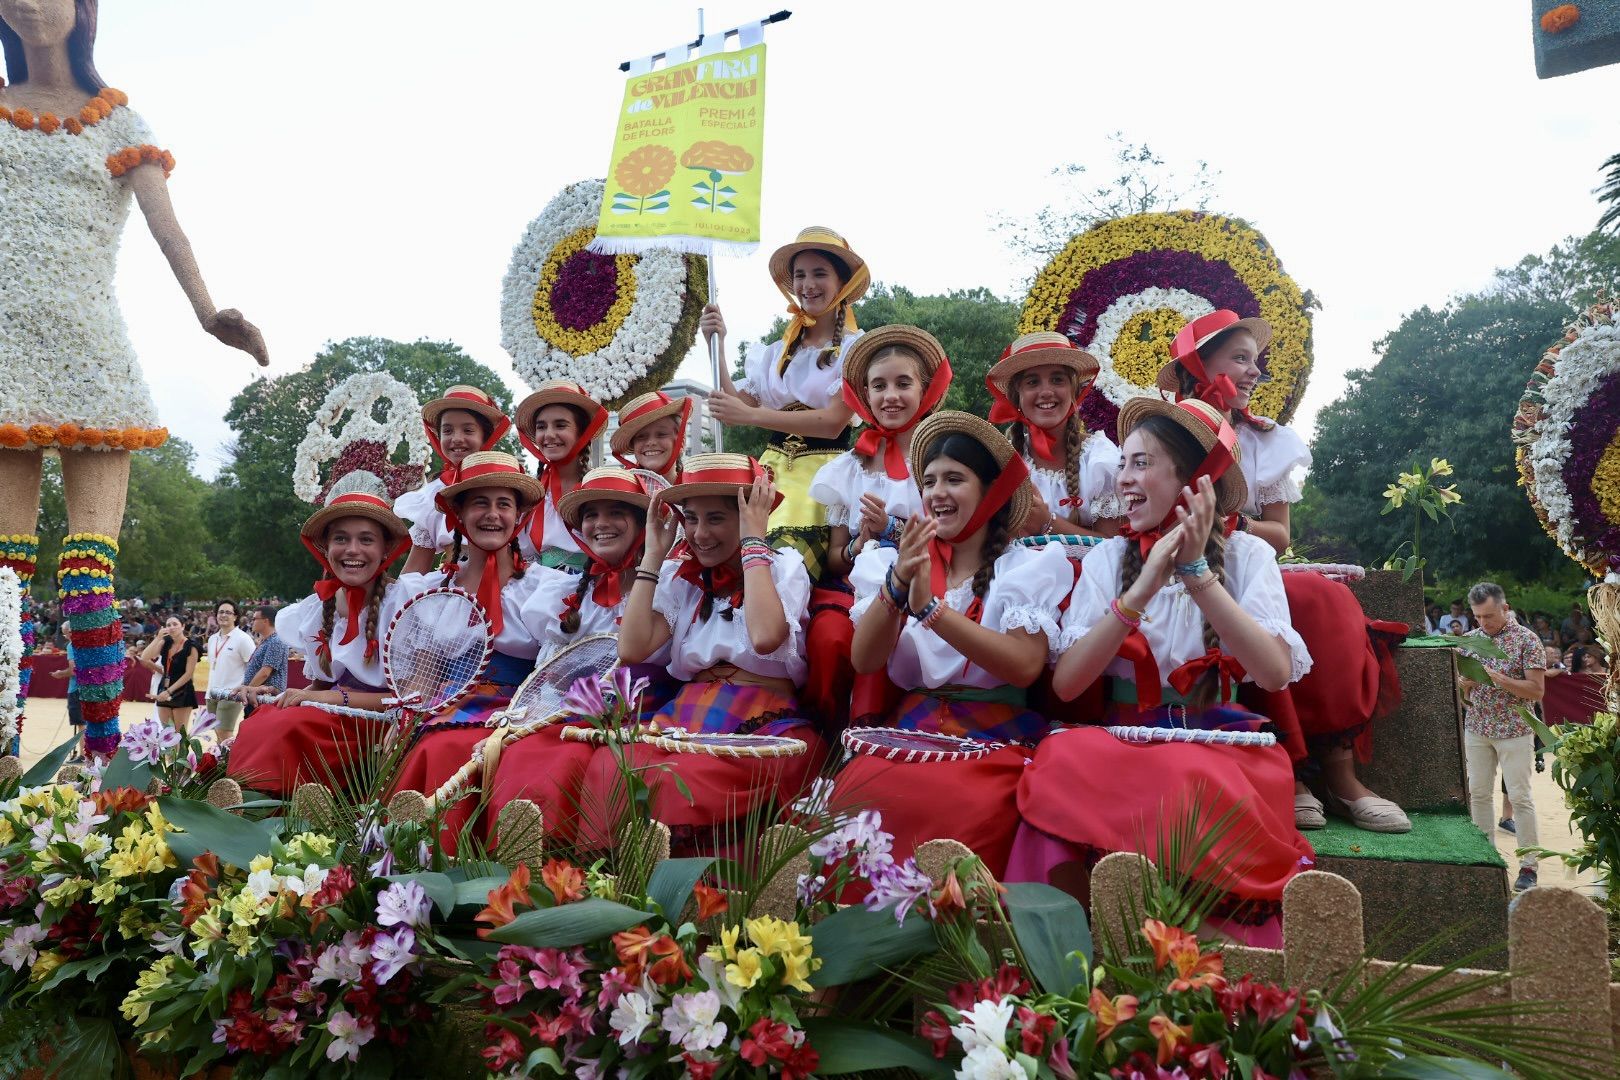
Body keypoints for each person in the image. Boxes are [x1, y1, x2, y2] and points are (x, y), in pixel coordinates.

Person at [0, 0, 267, 759]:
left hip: (91, 352)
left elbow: (166, 227)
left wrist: (209, 313)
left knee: (90, 572)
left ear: (83, 10)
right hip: (5, 356)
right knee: (4, 576)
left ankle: (101, 757)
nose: (26, 2)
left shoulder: (119, 120)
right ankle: (4, 749)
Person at [1015, 398, 1313, 943]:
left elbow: (1272, 673)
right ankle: (1071, 943)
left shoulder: (1247, 556)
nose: (1123, 479)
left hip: (1219, 743)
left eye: (1140, 464)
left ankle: (1191, 955)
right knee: (1058, 758)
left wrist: (1198, 574)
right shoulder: (1109, 560)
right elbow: (1068, 683)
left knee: (1186, 774)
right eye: (1122, 462)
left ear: (1194, 479)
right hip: (1128, 736)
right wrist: (1143, 587)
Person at [1160, 310, 1407, 833]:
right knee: (1239, 601)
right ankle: (1289, 771)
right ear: (1200, 365)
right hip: (1171, 564)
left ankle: (1340, 775)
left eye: (1257, 361)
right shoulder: (1158, 430)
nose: (1253, 372)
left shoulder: (1267, 440)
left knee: (1321, 598)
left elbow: (1279, 535)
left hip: (1245, 558)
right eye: (1240, 359)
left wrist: (1228, 522)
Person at [836, 412, 1070, 877]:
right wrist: (899, 584)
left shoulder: (1025, 566)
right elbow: (865, 659)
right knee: (856, 801)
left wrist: (932, 612)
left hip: (995, 736)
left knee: (964, 807)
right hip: (909, 729)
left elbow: (1024, 666)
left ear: (991, 492)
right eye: (929, 481)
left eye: (954, 479)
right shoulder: (890, 560)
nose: (937, 492)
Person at [606, 453, 821, 854]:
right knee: (611, 765)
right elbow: (631, 648)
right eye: (691, 518)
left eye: (716, 518)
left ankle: (697, 893)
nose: (699, 533)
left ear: (749, 516)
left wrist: (753, 542)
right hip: (687, 714)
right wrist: (654, 555)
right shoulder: (681, 578)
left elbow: (764, 637)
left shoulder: (783, 566)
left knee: (677, 778)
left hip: (759, 718)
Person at [477, 466, 669, 846]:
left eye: (616, 513)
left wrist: (651, 562)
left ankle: (583, 873)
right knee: (519, 753)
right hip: (566, 718)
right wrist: (517, 724)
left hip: (637, 720)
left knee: (572, 762)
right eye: (591, 516)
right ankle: (518, 871)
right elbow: (548, 679)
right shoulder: (565, 594)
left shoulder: (667, 586)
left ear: (640, 524)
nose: (602, 524)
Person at [391, 452, 553, 850]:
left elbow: (554, 672)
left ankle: (509, 862)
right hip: (448, 706)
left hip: (520, 711)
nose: (492, 515)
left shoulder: (546, 589)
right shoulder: (430, 590)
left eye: (504, 504)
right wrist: (405, 717)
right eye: (480, 503)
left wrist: (521, 721)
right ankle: (421, 861)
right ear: (459, 516)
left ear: (519, 516)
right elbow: (420, 676)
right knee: (434, 743)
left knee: (496, 752)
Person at [700, 227, 868, 580]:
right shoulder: (776, 352)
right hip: (771, 473)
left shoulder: (855, 349)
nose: (808, 284)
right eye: (800, 275)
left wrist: (753, 416)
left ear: (843, 283)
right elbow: (734, 407)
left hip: (824, 477)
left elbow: (834, 421)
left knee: (790, 570)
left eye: (820, 273)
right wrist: (716, 344)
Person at [228, 487, 412, 795]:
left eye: (366, 539)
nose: (352, 549)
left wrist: (320, 699)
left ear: (384, 549)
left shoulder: (404, 603)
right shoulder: (315, 608)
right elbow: (322, 688)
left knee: (288, 726)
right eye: (341, 539)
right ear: (326, 548)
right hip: (332, 718)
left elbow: (407, 702)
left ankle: (276, 813)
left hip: (375, 725)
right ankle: (243, 805)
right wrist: (281, 694)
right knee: (264, 718)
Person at [987, 331, 1122, 537]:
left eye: (1057, 380)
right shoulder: (1001, 461)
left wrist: (1047, 523)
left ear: (1073, 391)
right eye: (1032, 382)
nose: (1046, 391)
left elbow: (1116, 546)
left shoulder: (1099, 459)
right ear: (1018, 396)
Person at [1458, 582, 1546, 893]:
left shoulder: (1527, 640)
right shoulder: (1469, 641)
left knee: (1520, 798)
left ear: (1505, 609)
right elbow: (1459, 687)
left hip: (1515, 730)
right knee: (1479, 795)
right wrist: (1465, 683)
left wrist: (1502, 680)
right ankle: (1486, 859)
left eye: (1490, 616)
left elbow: (1536, 690)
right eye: (1478, 617)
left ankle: (1529, 865)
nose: (1484, 623)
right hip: (1478, 728)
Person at [396, 385, 511, 574]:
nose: (457, 439)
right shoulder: (433, 495)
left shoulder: (507, 486)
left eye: (468, 430)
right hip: (452, 593)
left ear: (486, 436)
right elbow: (414, 572)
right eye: (448, 431)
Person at [514, 379, 608, 572]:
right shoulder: (529, 493)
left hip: (589, 593)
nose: (548, 434)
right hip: (533, 593)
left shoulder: (601, 488)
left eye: (560, 425)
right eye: (541, 427)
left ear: (581, 433)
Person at [608, 391, 692, 481]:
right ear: (633, 444)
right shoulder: (620, 492)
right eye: (641, 436)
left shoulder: (699, 491)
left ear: (681, 442)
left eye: (661, 434)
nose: (651, 442)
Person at [203, 599, 255, 739]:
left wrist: (243, 688)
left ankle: (232, 760)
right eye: (220, 612)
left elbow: (253, 665)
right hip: (212, 693)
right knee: (217, 733)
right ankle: (221, 761)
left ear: (235, 616)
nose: (223, 615)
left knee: (224, 732)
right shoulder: (212, 639)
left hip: (231, 693)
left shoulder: (243, 639)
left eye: (228, 612)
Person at [138, 616, 199, 731]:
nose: (172, 627)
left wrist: (169, 691)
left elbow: (188, 674)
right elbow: (145, 657)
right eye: (168, 625)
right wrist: (158, 638)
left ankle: (180, 750)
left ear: (183, 626)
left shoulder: (191, 646)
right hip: (164, 688)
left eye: (175, 624)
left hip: (183, 691)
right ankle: (169, 750)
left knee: (180, 733)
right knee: (167, 734)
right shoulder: (165, 643)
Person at [239, 604, 288, 715]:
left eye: (255, 618)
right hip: (258, 698)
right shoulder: (268, 641)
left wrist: (247, 689)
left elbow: (265, 672)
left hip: (265, 701)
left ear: (265, 621)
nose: (252, 622)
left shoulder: (276, 641)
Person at [48, 616, 82, 761]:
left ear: (70, 632)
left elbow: (73, 670)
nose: (65, 636)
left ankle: (83, 755)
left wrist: (60, 674)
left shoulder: (72, 646)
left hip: (76, 688)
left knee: (81, 724)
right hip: (89, 688)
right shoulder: (87, 644)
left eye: (65, 633)